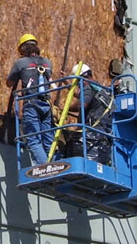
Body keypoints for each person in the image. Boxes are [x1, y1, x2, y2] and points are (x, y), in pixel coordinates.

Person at [6, 33, 54, 165]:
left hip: (32, 104)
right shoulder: (48, 63)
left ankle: (46, 170)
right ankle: (55, 168)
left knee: (33, 140)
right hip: (47, 105)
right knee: (48, 140)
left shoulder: (21, 63)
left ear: (23, 49)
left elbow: (9, 82)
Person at [65, 63, 113, 164]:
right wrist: (68, 84)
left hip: (92, 133)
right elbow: (84, 96)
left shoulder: (87, 87)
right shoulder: (101, 89)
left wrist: (65, 109)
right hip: (103, 135)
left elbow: (82, 104)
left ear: (81, 78)